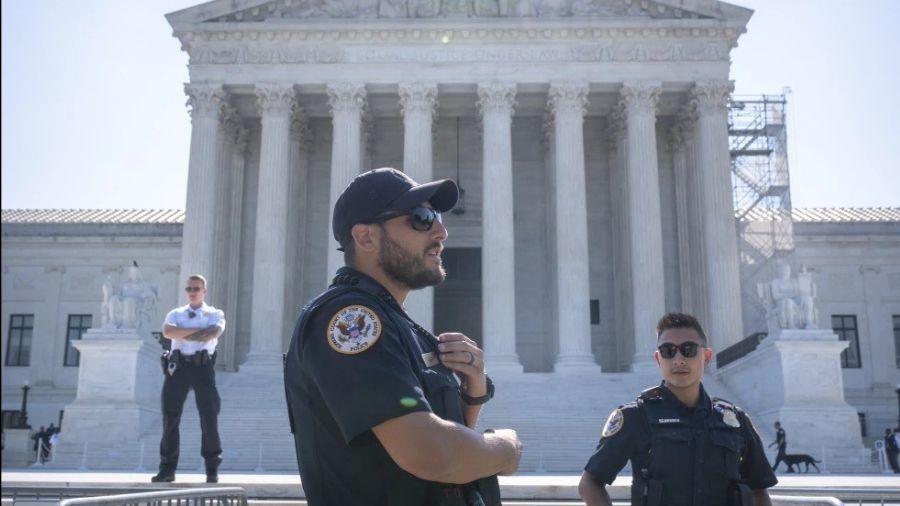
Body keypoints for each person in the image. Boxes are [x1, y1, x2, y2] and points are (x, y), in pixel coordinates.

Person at [284, 168, 523, 505]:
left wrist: (473, 392)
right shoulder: (350, 321)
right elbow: (432, 455)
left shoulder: (400, 326)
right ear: (366, 237)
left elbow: (437, 434)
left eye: (437, 216)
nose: (441, 232)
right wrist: (506, 450)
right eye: (422, 218)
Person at [579, 312, 776, 506]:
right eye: (668, 350)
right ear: (658, 359)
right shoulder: (636, 417)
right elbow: (590, 483)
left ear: (706, 356)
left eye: (688, 349)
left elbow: (758, 490)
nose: (678, 359)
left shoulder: (734, 421)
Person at [151, 274, 226, 484]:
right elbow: (167, 332)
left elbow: (213, 333)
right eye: (189, 289)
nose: (192, 292)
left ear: (204, 291)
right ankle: (167, 469)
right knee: (170, 418)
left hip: (203, 368)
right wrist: (200, 331)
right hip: (178, 367)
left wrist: (181, 333)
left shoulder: (215, 313)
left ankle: (212, 470)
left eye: (196, 288)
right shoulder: (175, 313)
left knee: (209, 418)